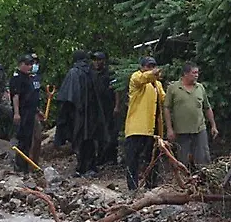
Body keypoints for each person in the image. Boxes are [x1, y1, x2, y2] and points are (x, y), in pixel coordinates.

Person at [58, 51, 111, 177]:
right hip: (92, 113)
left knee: (81, 139)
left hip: (79, 113)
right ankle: (89, 166)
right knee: (90, 140)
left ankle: (83, 167)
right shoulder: (92, 72)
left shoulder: (74, 73)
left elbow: (67, 97)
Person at [163, 62, 219, 171]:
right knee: (182, 160)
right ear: (185, 74)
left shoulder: (200, 88)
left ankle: (203, 182)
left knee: (203, 158)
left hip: (199, 129)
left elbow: (207, 108)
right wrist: (169, 129)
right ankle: (184, 183)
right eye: (194, 73)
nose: (196, 75)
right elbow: (167, 108)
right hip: (181, 131)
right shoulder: (173, 88)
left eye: (197, 72)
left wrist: (213, 125)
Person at [124, 56, 165, 190]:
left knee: (152, 158)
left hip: (153, 127)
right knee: (133, 159)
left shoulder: (157, 84)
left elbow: (164, 99)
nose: (152, 69)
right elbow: (142, 79)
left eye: (153, 66)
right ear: (142, 67)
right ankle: (132, 187)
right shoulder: (136, 77)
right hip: (137, 126)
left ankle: (151, 185)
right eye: (149, 66)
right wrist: (153, 74)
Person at [10, 54, 43, 172]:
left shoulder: (28, 78)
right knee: (22, 139)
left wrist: (38, 110)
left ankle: (27, 166)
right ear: (21, 64)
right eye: (27, 64)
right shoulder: (17, 78)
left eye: (31, 64)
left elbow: (32, 96)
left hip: (31, 111)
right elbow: (15, 96)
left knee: (30, 139)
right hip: (23, 112)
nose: (30, 67)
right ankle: (20, 166)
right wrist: (17, 113)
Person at [90, 51, 121, 169]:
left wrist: (117, 105)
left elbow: (116, 89)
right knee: (99, 133)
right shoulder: (92, 73)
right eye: (95, 60)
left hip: (109, 106)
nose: (96, 62)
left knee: (111, 131)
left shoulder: (110, 73)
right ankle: (100, 157)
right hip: (97, 107)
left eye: (99, 60)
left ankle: (111, 157)